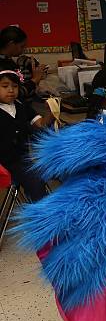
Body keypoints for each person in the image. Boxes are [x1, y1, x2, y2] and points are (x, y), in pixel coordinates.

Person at [0, 61, 52, 201]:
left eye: (15, 86)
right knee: (34, 179)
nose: (11, 90)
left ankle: (44, 205)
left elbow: (40, 124)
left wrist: (50, 112)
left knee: (45, 172)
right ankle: (42, 213)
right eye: (5, 86)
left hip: (22, 159)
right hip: (4, 163)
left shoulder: (21, 105)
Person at [0, 26, 48, 102]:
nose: (23, 50)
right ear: (11, 44)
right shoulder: (3, 65)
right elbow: (15, 94)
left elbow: (20, 82)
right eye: (21, 46)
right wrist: (35, 79)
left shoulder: (9, 61)